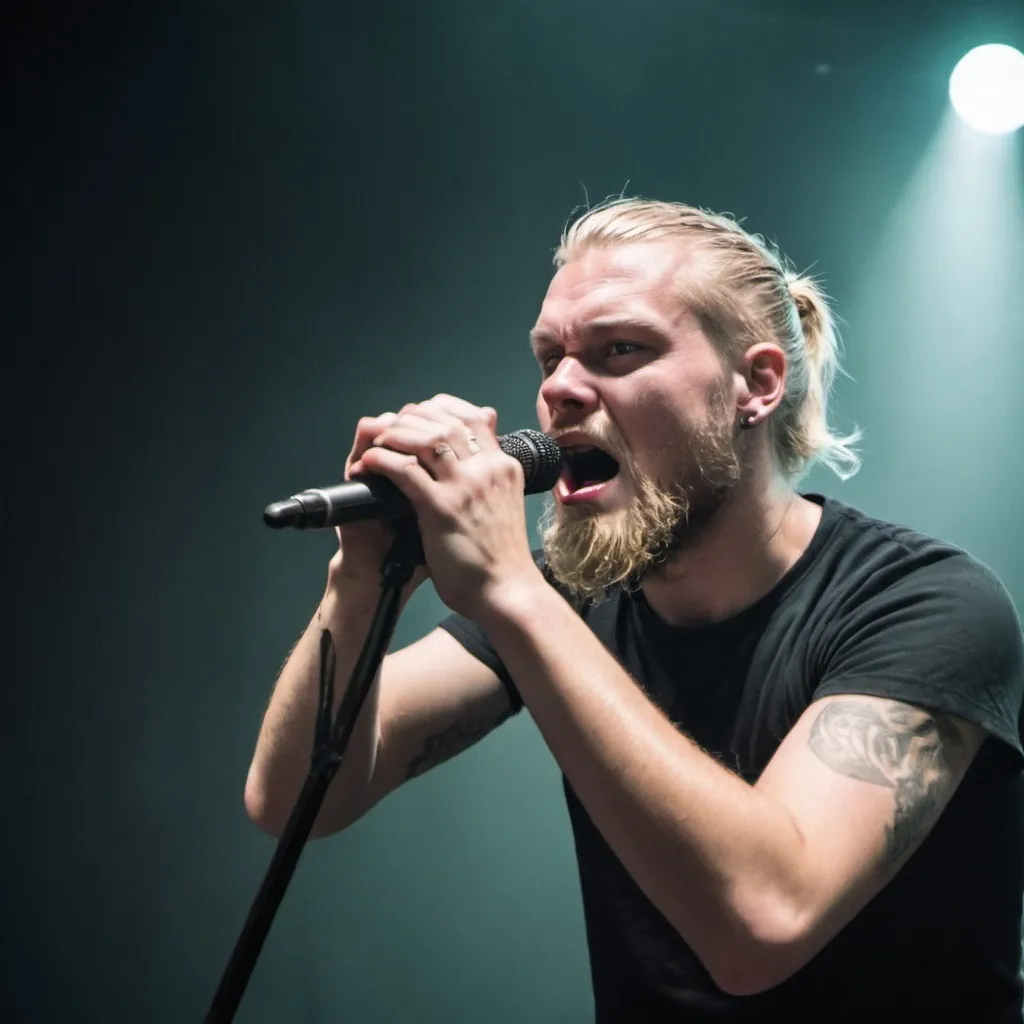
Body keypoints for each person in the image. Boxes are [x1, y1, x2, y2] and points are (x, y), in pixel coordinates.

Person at [244, 198, 1024, 1019]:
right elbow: (298, 800)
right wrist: (361, 581)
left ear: (756, 383)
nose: (561, 390)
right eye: (550, 358)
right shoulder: (566, 597)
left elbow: (762, 924)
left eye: (619, 350)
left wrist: (511, 590)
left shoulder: (926, 604)